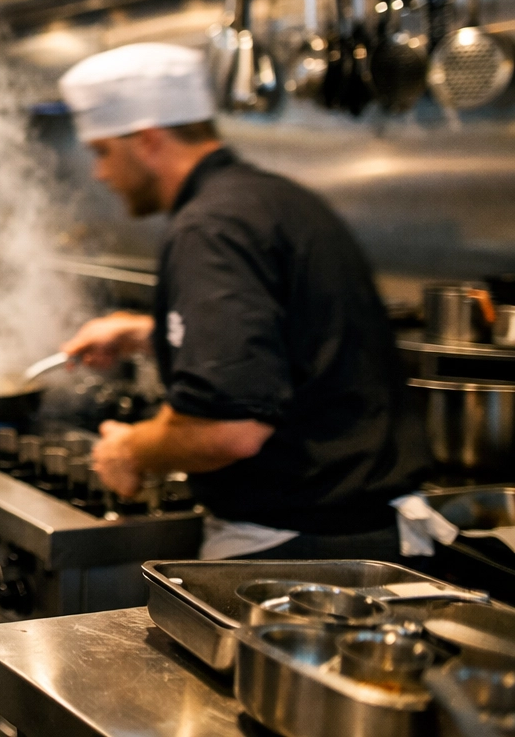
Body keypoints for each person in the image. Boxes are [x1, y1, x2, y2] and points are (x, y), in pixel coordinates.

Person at [58, 43, 429, 561]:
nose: (100, 173)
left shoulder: (209, 227)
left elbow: (228, 431)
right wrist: (147, 332)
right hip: (359, 531)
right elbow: (288, 334)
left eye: (102, 152)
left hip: (299, 549)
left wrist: (130, 448)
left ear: (147, 141)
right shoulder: (272, 198)